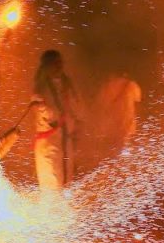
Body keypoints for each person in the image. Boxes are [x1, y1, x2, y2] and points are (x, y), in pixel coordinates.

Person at [30, 50, 82, 191]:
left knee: (67, 183)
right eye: (55, 63)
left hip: (66, 142)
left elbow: (76, 107)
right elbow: (47, 114)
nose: (59, 66)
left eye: (60, 62)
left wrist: (76, 122)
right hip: (49, 144)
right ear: (47, 65)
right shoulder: (40, 88)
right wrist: (60, 117)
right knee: (52, 183)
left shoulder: (66, 84)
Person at [93, 71, 142, 159]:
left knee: (112, 142)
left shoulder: (107, 85)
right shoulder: (131, 85)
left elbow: (101, 103)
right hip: (127, 117)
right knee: (124, 139)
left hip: (111, 119)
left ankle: (111, 158)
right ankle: (122, 158)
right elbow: (137, 102)